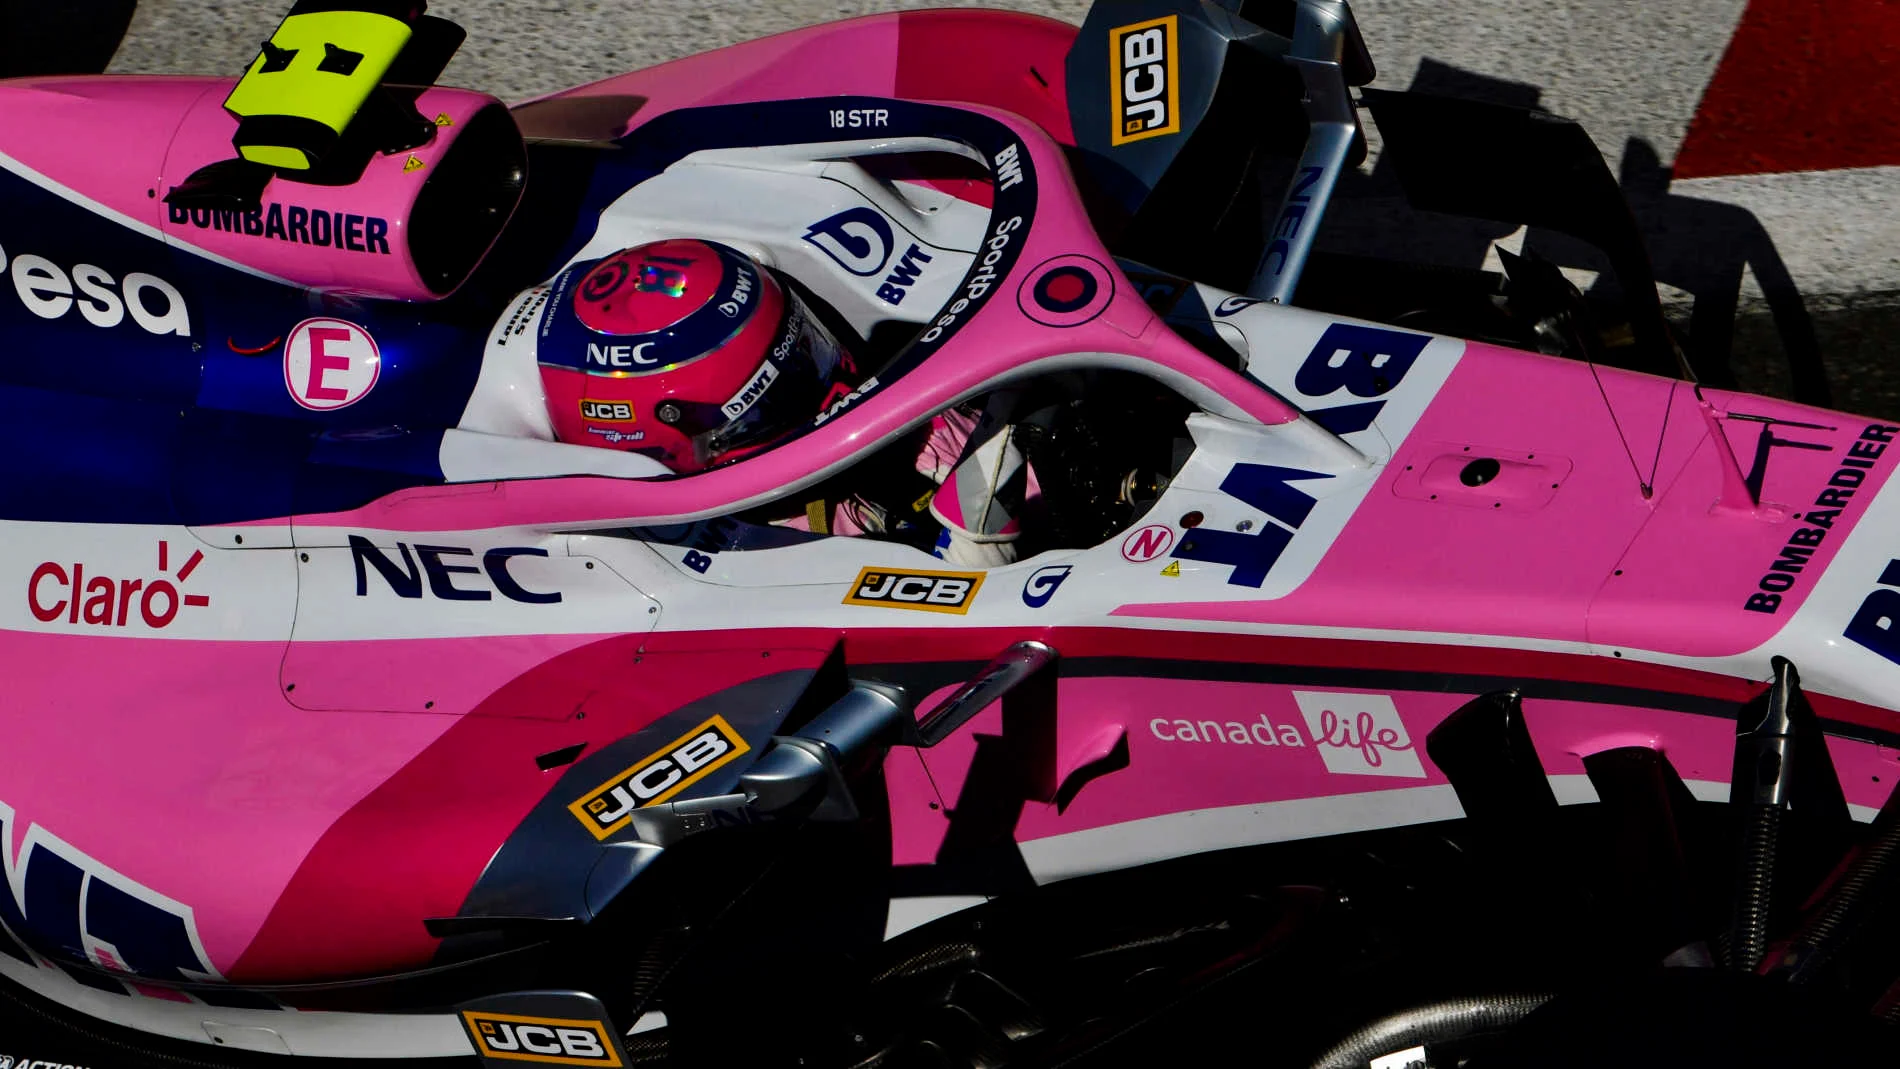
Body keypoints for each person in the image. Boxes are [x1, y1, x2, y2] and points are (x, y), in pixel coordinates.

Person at [536, 238, 1030, 566]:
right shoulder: (746, 556)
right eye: (767, 400)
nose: (831, 390)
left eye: (805, 352)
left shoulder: (920, 431)